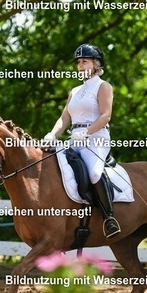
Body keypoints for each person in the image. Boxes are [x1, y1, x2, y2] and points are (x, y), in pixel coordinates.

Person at [43, 43, 121, 238]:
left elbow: (106, 115)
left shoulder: (103, 86)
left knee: (94, 173)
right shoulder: (75, 91)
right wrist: (52, 135)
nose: (80, 66)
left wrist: (87, 132)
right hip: (74, 138)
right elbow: (64, 118)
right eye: (78, 62)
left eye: (84, 61)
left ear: (96, 64)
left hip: (96, 138)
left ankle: (109, 218)